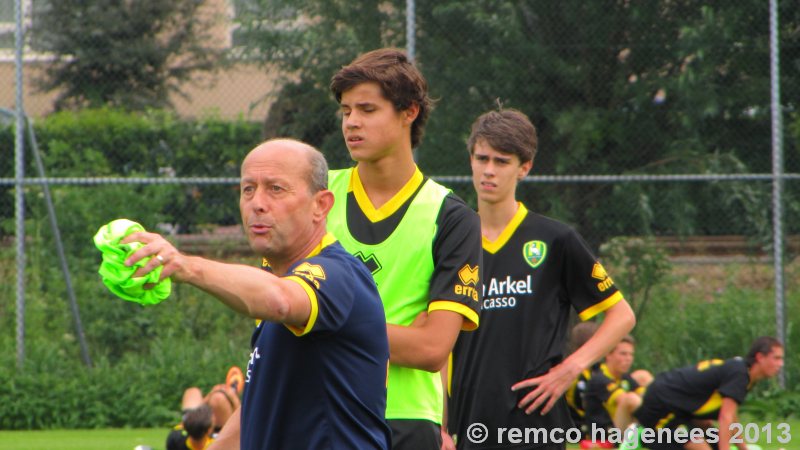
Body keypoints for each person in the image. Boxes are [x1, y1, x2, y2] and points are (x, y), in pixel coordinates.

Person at [123, 138, 391, 450]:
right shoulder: (273, 276)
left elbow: (280, 301)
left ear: (321, 205)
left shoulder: (339, 275)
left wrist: (185, 266)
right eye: (248, 189)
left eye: (276, 189)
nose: (257, 202)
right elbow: (256, 407)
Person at [446, 108, 636, 450]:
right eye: (482, 158)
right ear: (470, 160)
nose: (489, 171)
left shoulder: (555, 239)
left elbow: (622, 315)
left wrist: (570, 368)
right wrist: (442, 423)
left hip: (535, 423)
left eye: (502, 161)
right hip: (467, 421)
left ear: (524, 167)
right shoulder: (450, 240)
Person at [328, 47, 483, 450]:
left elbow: (433, 349)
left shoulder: (451, 217)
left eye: (367, 109)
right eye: (346, 111)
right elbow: (277, 317)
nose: (352, 123)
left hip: (407, 419)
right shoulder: (316, 196)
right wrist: (397, 337)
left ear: (408, 113)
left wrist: (322, 324)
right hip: (320, 405)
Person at [630, 336, 784, 450]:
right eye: (776, 358)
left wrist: (743, 448)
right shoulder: (741, 375)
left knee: (708, 429)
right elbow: (725, 418)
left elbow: (731, 417)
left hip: (676, 407)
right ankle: (637, 436)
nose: (780, 364)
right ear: (760, 357)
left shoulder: (743, 372)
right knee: (700, 445)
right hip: (662, 408)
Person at [583, 335, 650, 438]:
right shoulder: (599, 378)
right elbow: (625, 400)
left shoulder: (623, 377)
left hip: (619, 432)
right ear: (608, 355)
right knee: (630, 399)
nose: (628, 359)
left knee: (643, 376)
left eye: (631, 355)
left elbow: (645, 396)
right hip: (603, 436)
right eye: (623, 354)